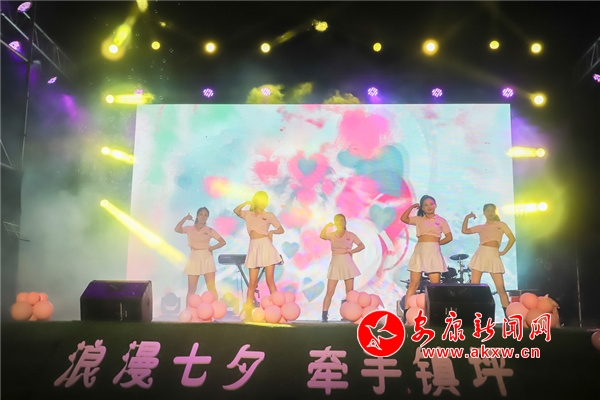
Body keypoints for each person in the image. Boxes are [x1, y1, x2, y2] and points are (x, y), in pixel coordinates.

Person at [400, 195, 453, 319]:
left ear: (435, 205)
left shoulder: (441, 220)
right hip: (420, 251)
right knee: (414, 283)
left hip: (433, 252)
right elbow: (403, 218)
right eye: (426, 205)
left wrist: (436, 243)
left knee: (435, 285)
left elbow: (449, 237)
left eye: (431, 204)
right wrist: (412, 207)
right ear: (422, 208)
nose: (429, 207)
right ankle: (406, 313)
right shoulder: (419, 219)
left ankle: (435, 314)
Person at [234, 191, 285, 316]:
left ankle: (277, 309)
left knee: (269, 280)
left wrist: (271, 232)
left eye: (265, 200)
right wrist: (246, 203)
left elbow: (281, 229)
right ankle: (248, 311)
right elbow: (236, 211)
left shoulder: (268, 215)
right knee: (252, 283)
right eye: (261, 200)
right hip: (254, 247)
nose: (264, 202)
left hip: (265, 245)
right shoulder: (248, 214)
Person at [462, 203, 515, 316]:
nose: (490, 213)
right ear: (484, 213)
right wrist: (467, 217)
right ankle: (474, 315)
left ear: (495, 212)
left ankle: (509, 317)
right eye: (488, 211)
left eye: (492, 210)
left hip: (493, 255)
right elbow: (464, 231)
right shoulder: (481, 227)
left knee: (500, 288)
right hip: (481, 254)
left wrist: (503, 252)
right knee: (475, 286)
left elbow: (512, 239)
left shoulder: (501, 224)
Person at [174, 207, 226, 307]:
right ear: (197, 216)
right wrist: (185, 218)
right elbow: (177, 229)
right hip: (194, 257)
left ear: (207, 217)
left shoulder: (209, 230)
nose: (203, 217)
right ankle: (188, 311)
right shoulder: (189, 228)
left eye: (205, 215)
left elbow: (222, 242)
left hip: (206, 257)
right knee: (191, 289)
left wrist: (212, 248)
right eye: (201, 214)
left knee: (211, 287)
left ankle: (215, 310)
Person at [319, 214, 366, 322]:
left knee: (350, 292)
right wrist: (327, 226)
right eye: (338, 220)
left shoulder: (351, 235)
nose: (340, 222)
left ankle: (350, 314)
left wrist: (351, 251)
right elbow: (322, 236)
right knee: (330, 291)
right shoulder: (332, 234)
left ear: (345, 221)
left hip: (347, 262)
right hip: (335, 262)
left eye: (342, 220)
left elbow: (361, 246)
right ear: (335, 222)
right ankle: (324, 315)